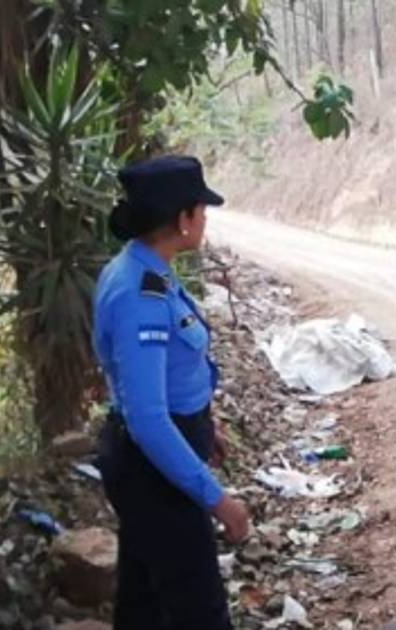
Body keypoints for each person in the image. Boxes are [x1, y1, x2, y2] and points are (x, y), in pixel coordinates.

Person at [93, 155, 251, 629]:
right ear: (183, 219)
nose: (204, 220)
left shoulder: (146, 270)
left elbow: (168, 376)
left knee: (143, 601)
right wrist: (217, 499)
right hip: (153, 471)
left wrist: (205, 425)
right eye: (201, 210)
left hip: (159, 455)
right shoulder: (139, 296)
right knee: (199, 610)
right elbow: (147, 420)